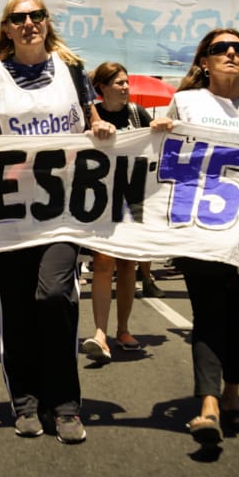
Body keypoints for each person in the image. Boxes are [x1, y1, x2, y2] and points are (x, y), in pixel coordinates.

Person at [0, 0, 114, 444]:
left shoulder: (72, 69)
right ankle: (25, 402)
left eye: (36, 15)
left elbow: (92, 122)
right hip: (10, 214)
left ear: (46, 21)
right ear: (6, 28)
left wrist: (99, 129)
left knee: (57, 296)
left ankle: (65, 404)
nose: (28, 23)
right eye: (18, 18)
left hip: (60, 210)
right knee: (18, 309)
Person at [151, 29, 239, 444]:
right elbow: (163, 159)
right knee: (208, 311)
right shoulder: (186, 102)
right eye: (219, 49)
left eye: (238, 49)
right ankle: (208, 405)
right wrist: (159, 131)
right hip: (199, 227)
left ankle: (232, 396)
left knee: (238, 313)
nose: (230, 53)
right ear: (203, 62)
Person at [82, 61, 152, 362]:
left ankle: (123, 329)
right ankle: (100, 332)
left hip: (133, 198)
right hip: (99, 200)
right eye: (119, 82)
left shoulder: (139, 115)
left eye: (126, 82)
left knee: (127, 264)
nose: (125, 87)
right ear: (102, 88)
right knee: (102, 262)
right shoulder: (89, 116)